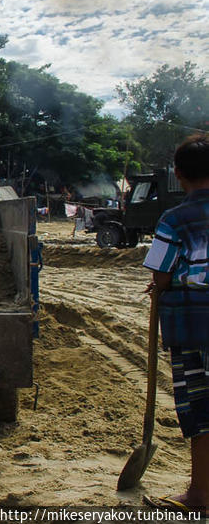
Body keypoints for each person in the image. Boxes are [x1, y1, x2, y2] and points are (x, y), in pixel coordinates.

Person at [142, 133, 209, 513]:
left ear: (179, 175)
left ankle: (200, 494)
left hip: (194, 325)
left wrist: (159, 286)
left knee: (201, 410)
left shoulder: (175, 218)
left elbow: (162, 275)